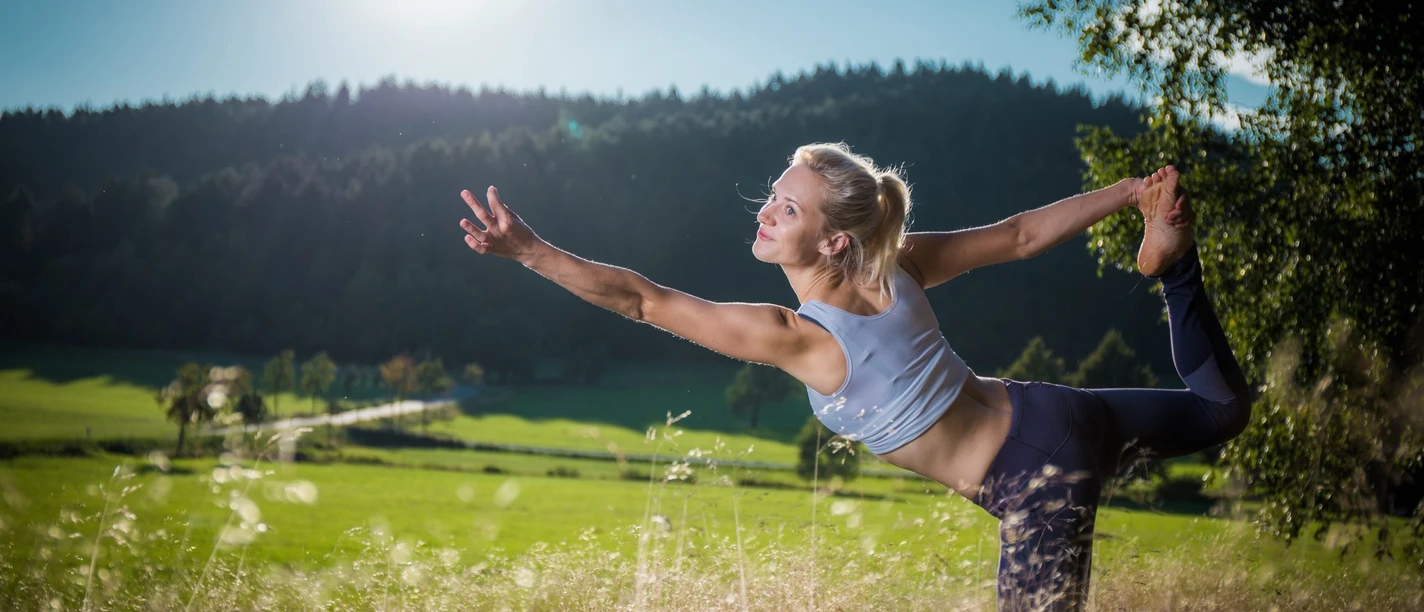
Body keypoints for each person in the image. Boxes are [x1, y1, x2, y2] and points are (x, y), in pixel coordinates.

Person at [457, 142, 1251, 611]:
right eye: (774, 197)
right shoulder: (896, 266)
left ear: (834, 241)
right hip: (1055, 412)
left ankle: (1170, 258)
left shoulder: (800, 338)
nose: (766, 212)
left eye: (788, 209)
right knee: (1221, 410)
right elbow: (1016, 237)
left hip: (1033, 481)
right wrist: (1130, 194)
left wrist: (530, 252)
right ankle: (1175, 267)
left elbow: (642, 300)